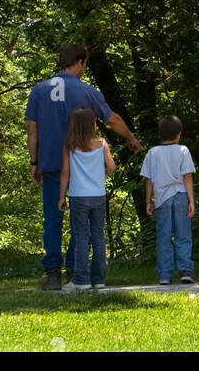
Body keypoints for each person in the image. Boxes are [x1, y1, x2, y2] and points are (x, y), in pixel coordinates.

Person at [25, 44, 142, 290]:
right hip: (80, 166)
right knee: (80, 222)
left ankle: (52, 274)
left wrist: (34, 162)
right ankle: (75, 269)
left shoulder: (39, 91)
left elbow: (32, 130)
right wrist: (131, 139)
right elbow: (113, 120)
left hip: (50, 162)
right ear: (79, 63)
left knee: (53, 219)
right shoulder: (88, 91)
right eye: (84, 64)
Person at [57, 108, 117, 291]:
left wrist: (62, 196)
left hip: (78, 196)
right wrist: (103, 175)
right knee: (98, 236)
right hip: (98, 195)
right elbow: (112, 166)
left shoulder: (70, 145)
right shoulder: (102, 143)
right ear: (92, 124)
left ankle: (81, 280)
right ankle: (99, 279)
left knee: (82, 237)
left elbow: (65, 173)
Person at [141, 115, 196, 285]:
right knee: (183, 235)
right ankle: (186, 270)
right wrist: (191, 201)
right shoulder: (183, 150)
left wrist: (148, 201)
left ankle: (164, 275)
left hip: (161, 199)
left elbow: (148, 179)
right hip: (180, 196)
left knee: (164, 237)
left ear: (160, 134)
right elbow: (187, 176)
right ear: (178, 134)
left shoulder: (152, 152)